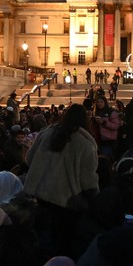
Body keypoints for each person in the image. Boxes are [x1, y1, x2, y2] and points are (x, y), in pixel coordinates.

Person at [24, 104, 99, 257]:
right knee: (63, 248)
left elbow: (29, 159)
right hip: (68, 204)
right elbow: (88, 181)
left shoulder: (47, 133)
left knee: (43, 245)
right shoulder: (85, 144)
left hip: (42, 199)